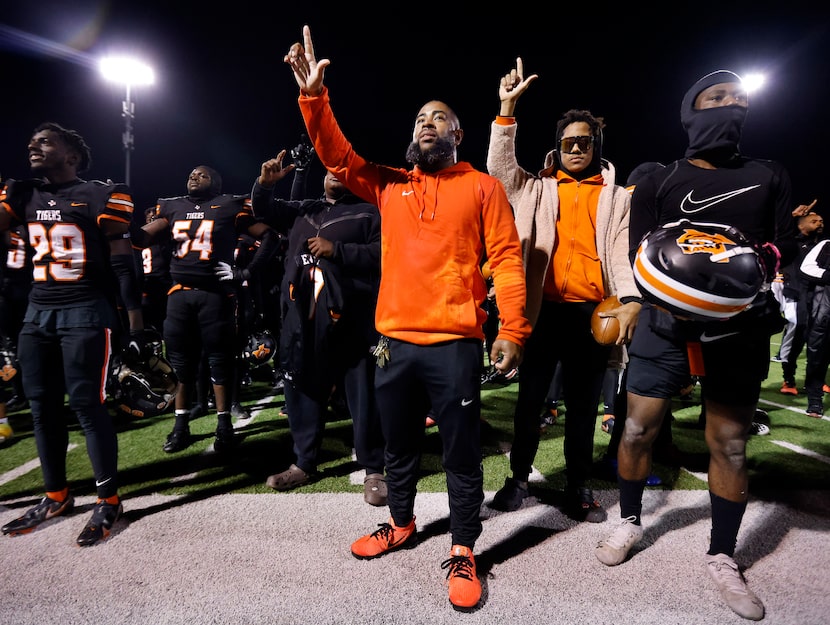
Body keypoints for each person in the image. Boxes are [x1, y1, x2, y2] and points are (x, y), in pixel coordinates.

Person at [285, 25, 531, 611]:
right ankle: (400, 523)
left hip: (454, 344)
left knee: (460, 453)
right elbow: (337, 158)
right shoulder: (390, 185)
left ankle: (466, 549)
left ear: (457, 133)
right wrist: (315, 99)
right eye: (420, 116)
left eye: (439, 117)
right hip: (391, 341)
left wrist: (513, 329)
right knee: (396, 443)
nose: (426, 122)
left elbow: (507, 260)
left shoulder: (481, 187)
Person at [595, 70, 797, 622]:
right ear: (691, 111)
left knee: (728, 444)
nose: (731, 104)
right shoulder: (660, 181)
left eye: (739, 98)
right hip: (665, 323)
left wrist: (743, 264)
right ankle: (630, 520)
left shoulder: (768, 173)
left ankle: (723, 554)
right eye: (717, 98)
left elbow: (783, 246)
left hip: (740, 326)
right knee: (637, 427)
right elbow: (642, 254)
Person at [486, 58, 642, 522]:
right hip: (542, 312)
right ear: (557, 147)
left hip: (593, 315)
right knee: (530, 402)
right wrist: (506, 112)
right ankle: (517, 479)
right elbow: (498, 168)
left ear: (596, 146)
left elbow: (617, 252)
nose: (576, 148)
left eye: (584, 142)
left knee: (581, 411)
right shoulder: (534, 187)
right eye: (569, 142)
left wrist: (630, 297)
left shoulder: (615, 196)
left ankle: (577, 486)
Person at [0, 122, 147, 546]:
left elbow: (122, 261)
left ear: (72, 155)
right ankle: (56, 495)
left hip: (85, 308)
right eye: (31, 141)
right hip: (37, 311)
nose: (33, 146)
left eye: (44, 141)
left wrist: (134, 321)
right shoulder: (22, 193)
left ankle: (108, 501)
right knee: (43, 406)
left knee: (87, 404)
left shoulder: (103, 193)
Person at [252, 158, 387, 506]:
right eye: (330, 171)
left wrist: (337, 250)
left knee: (363, 395)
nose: (335, 176)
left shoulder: (369, 211)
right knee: (302, 393)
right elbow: (263, 209)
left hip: (353, 320)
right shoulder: (303, 210)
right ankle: (304, 463)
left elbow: (385, 254)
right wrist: (265, 184)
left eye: (342, 172)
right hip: (303, 320)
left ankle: (374, 468)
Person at [133, 166, 280, 454]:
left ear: (216, 182)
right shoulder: (172, 207)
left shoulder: (229, 205)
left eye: (203, 174)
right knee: (180, 365)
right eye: (191, 173)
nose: (194, 176)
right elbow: (141, 238)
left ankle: (224, 425)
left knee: (221, 361)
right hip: (179, 296)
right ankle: (180, 425)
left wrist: (245, 273)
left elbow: (270, 237)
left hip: (216, 295)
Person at [773, 206, 822, 395]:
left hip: (816, 296)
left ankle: (814, 380)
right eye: (814, 221)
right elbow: (777, 233)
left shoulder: (821, 245)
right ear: (801, 226)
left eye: (821, 221)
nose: (820, 223)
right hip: (795, 293)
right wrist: (790, 216)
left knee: (819, 339)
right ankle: (788, 379)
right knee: (796, 329)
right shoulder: (792, 243)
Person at [797, 228, 830, 417]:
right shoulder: (826, 245)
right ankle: (815, 399)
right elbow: (806, 268)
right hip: (825, 309)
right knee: (818, 356)